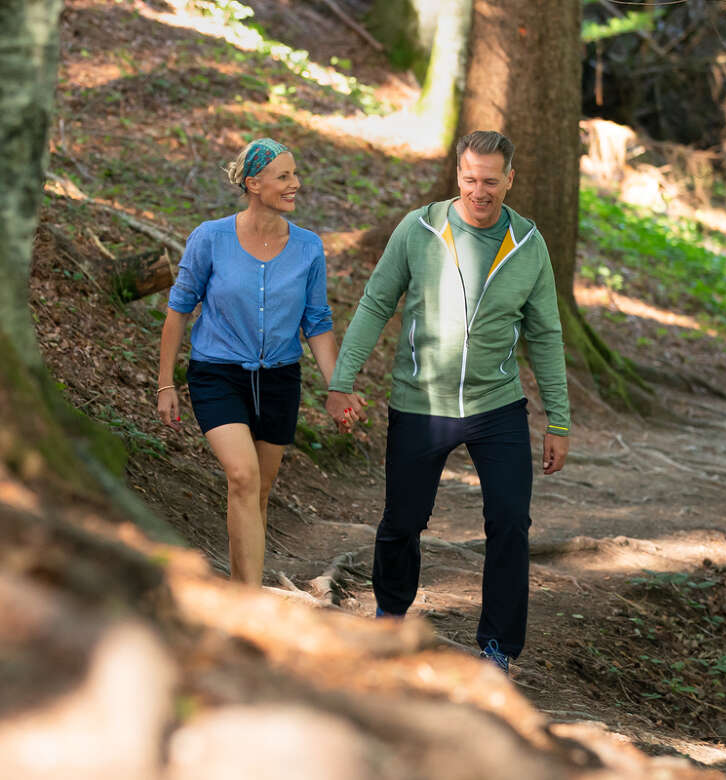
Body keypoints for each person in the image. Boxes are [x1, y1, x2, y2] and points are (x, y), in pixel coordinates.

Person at [326, 130, 570, 673]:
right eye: (469, 179)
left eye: (490, 180)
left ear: (510, 179)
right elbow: (374, 304)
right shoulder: (419, 229)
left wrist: (559, 418)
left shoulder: (528, 244)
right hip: (421, 402)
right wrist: (342, 380)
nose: (479, 191)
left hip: (497, 406)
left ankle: (498, 648)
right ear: (457, 175)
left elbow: (546, 335)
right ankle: (391, 617)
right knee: (402, 521)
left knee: (510, 521)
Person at [158, 137, 364, 586]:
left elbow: (318, 322)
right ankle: (248, 601)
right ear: (253, 183)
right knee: (242, 475)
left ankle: (242, 586)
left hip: (280, 381)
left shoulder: (308, 248)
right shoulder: (210, 239)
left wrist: (338, 385)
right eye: (284, 176)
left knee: (259, 491)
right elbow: (178, 310)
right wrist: (165, 384)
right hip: (218, 375)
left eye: (295, 173)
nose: (296, 184)